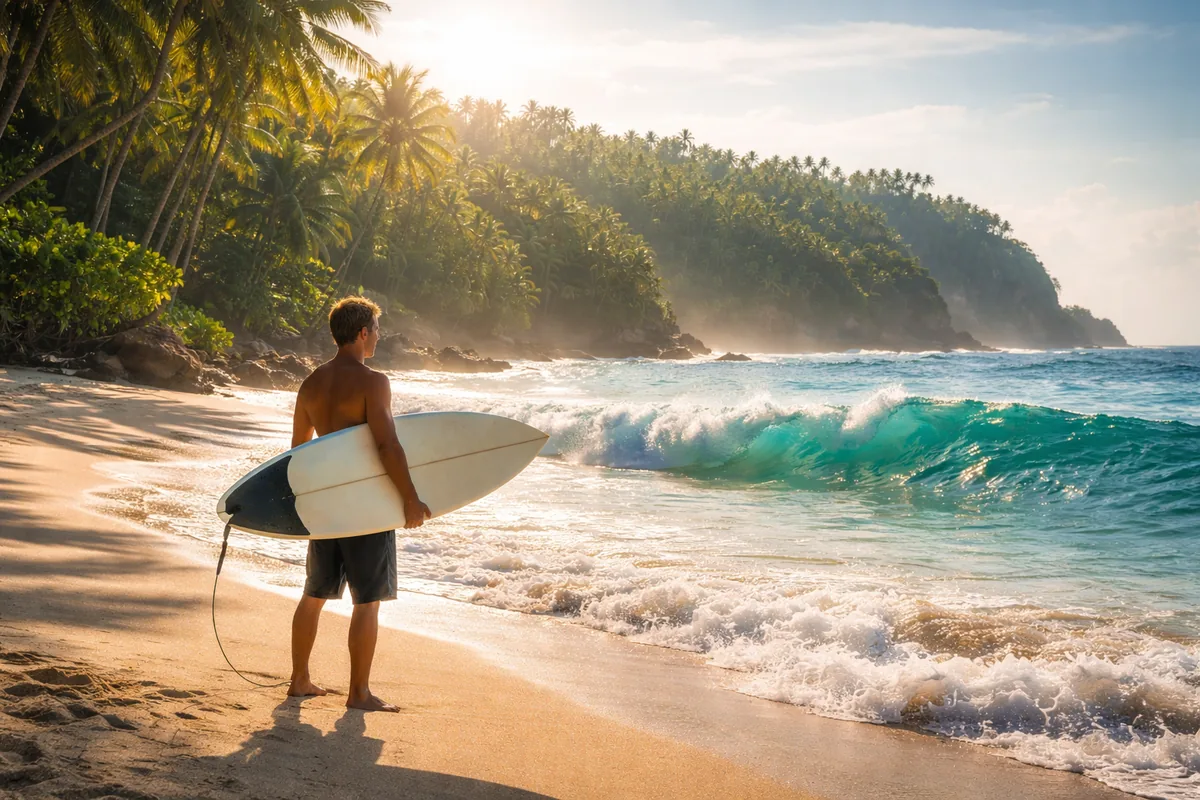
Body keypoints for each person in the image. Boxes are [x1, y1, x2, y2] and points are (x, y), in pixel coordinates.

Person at [287, 296, 430, 712]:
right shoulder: (373, 381)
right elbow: (387, 445)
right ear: (363, 332)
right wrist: (410, 499)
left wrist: (308, 505)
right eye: (377, 330)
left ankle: (299, 680)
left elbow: (298, 452)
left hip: (327, 507)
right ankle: (359, 693)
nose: (379, 338)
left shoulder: (311, 383)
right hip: (365, 506)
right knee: (367, 601)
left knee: (313, 594)